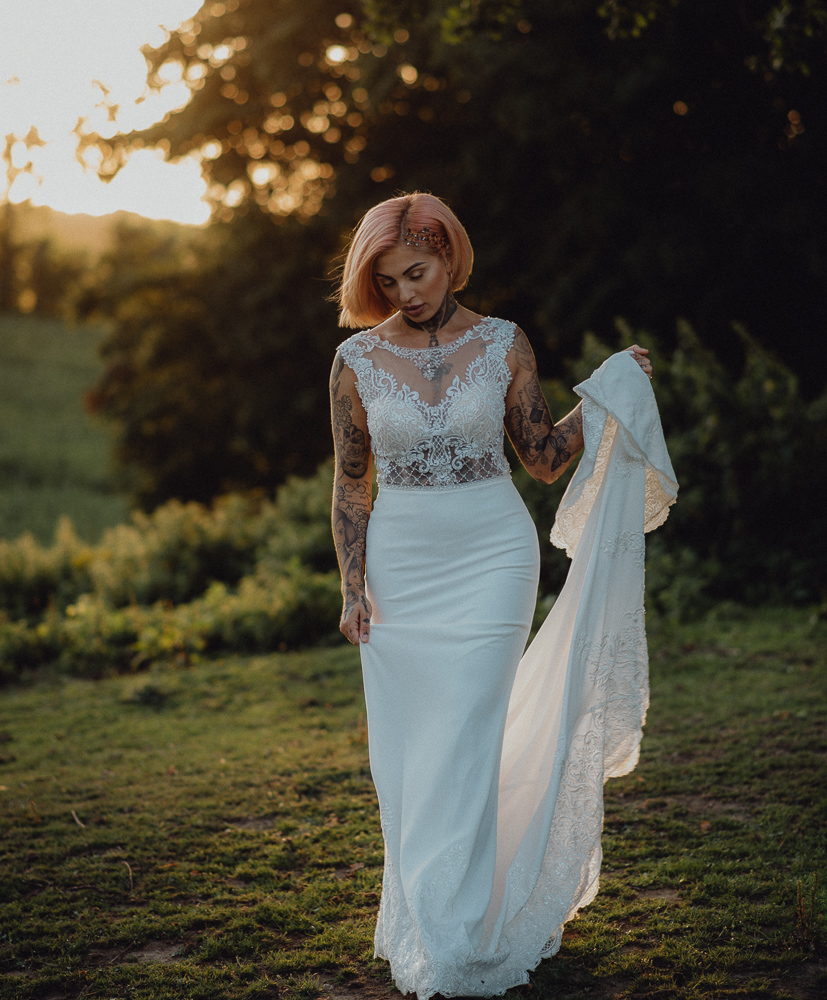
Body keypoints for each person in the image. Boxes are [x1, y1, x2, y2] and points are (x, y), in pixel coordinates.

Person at [329, 192, 660, 998]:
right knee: (414, 750)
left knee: (470, 729)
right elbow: (349, 482)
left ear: (450, 257)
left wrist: (607, 395)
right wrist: (352, 587)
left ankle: (465, 926)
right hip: (402, 569)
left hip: (492, 556)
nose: (407, 291)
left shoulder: (504, 344)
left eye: (419, 271)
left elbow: (542, 457)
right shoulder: (355, 364)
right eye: (389, 278)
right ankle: (436, 920)